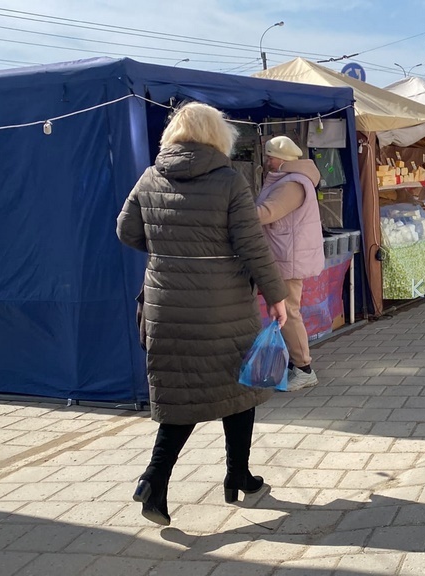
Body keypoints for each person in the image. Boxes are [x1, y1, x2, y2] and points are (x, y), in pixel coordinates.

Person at [117, 102, 290, 527]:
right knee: (241, 386)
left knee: (184, 394)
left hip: (166, 304)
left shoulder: (150, 176)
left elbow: (126, 230)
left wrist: (172, 254)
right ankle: (226, 475)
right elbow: (252, 246)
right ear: (218, 135)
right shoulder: (229, 181)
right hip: (222, 305)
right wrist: (277, 296)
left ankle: (170, 481)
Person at [256, 136, 325, 391]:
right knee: (287, 312)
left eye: (270, 156)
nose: (267, 161)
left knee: (289, 313)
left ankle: (304, 368)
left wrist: (233, 212)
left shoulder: (292, 184)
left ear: (282, 159)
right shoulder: (290, 179)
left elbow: (267, 212)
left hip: (288, 258)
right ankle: (295, 364)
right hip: (285, 254)